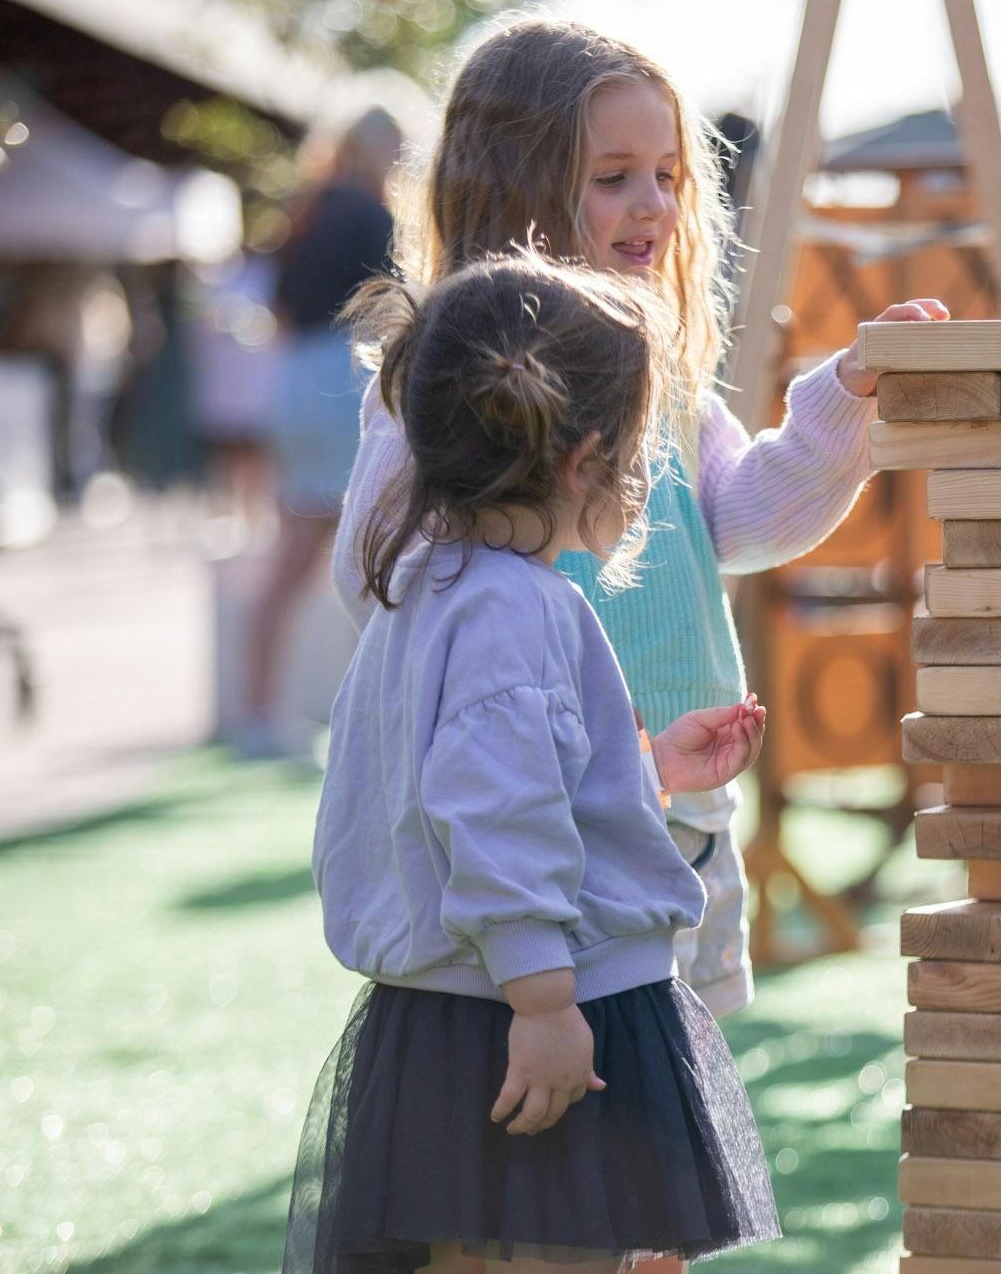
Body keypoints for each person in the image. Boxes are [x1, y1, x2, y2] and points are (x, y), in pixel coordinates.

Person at [329, 13, 947, 1025]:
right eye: (612, 175)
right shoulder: (442, 389)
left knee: (676, 1066)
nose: (651, 203)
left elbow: (737, 524)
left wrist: (842, 398)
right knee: (571, 1062)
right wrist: (523, 687)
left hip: (686, 795)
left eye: (665, 174)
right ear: (514, 188)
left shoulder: (654, 377)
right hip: (539, 807)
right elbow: (378, 577)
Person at [287, 252, 777, 1272]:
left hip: (462, 1017)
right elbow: (494, 814)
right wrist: (546, 1007)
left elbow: (487, 794)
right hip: (532, 1016)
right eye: (643, 452)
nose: (648, 480)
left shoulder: (434, 583)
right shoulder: (516, 609)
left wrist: (641, 771)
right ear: (584, 459)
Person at [235, 106, 402, 757]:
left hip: (294, 379)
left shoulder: (303, 213)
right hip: (344, 379)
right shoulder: (370, 216)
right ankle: (375, 725)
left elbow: (274, 309)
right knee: (377, 557)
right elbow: (394, 314)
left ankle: (256, 710)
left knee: (297, 552)